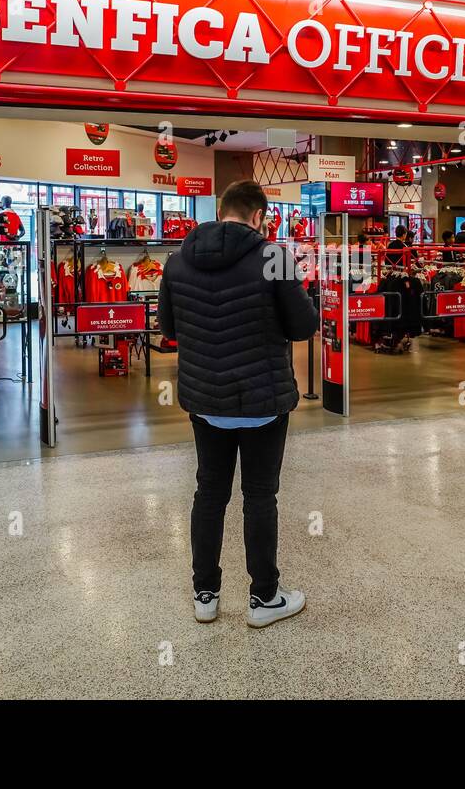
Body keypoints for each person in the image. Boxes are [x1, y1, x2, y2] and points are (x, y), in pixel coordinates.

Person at [158, 180, 320, 627]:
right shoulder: (273, 258)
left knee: (209, 494)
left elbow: (167, 327)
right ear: (257, 216)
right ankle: (264, 598)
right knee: (259, 496)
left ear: (220, 209)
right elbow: (304, 327)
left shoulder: (177, 260)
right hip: (263, 400)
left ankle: (205, 594)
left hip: (206, 399)